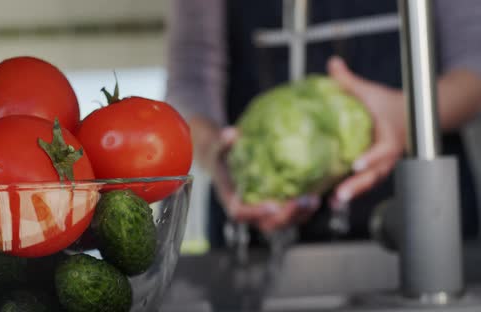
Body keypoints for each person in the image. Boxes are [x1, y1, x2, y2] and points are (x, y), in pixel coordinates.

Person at [165, 0, 481, 247]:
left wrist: (403, 117)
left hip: (419, 220)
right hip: (254, 235)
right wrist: (214, 152)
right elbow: (190, 81)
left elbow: (474, 65)